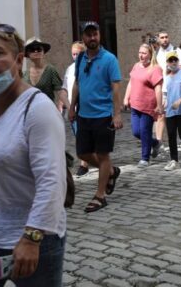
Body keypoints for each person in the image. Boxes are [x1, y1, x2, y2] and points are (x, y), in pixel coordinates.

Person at [0, 23, 66, 286]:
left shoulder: (37, 109)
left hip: (31, 240)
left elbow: (51, 180)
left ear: (18, 59)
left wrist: (31, 238)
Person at [68, 21, 123, 213]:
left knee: (102, 154)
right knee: (82, 153)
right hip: (84, 114)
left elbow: (116, 89)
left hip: (103, 115)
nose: (92, 38)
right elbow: (77, 83)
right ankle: (111, 171)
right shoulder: (81, 58)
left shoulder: (109, 59)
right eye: (88, 34)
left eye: (95, 34)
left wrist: (116, 114)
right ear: (83, 37)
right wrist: (72, 106)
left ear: (99, 35)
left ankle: (100, 196)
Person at [123, 43, 163, 168]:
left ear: (150, 55)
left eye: (144, 53)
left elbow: (158, 89)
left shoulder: (155, 68)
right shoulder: (136, 66)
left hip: (148, 105)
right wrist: (126, 98)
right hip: (135, 104)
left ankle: (145, 158)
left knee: (145, 131)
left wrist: (159, 105)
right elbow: (131, 83)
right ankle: (155, 143)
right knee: (136, 132)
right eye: (140, 52)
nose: (141, 55)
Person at [59, 41, 88, 176]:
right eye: (73, 54)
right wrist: (65, 103)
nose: (75, 56)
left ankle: (84, 163)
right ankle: (86, 160)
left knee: (83, 137)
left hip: (86, 108)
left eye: (78, 53)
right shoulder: (70, 69)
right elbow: (64, 88)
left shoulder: (89, 66)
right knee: (78, 136)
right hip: (72, 108)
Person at [155, 31, 181, 151]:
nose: (164, 39)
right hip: (162, 88)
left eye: (166, 37)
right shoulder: (158, 53)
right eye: (162, 38)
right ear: (158, 39)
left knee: (173, 116)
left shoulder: (176, 51)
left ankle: (174, 138)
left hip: (174, 89)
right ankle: (158, 143)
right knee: (161, 115)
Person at [23, 37, 62, 103]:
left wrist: (69, 108)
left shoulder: (50, 70)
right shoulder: (25, 74)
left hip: (48, 110)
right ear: (27, 54)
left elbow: (60, 91)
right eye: (32, 49)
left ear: (43, 52)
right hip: (31, 111)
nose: (36, 51)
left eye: (39, 49)